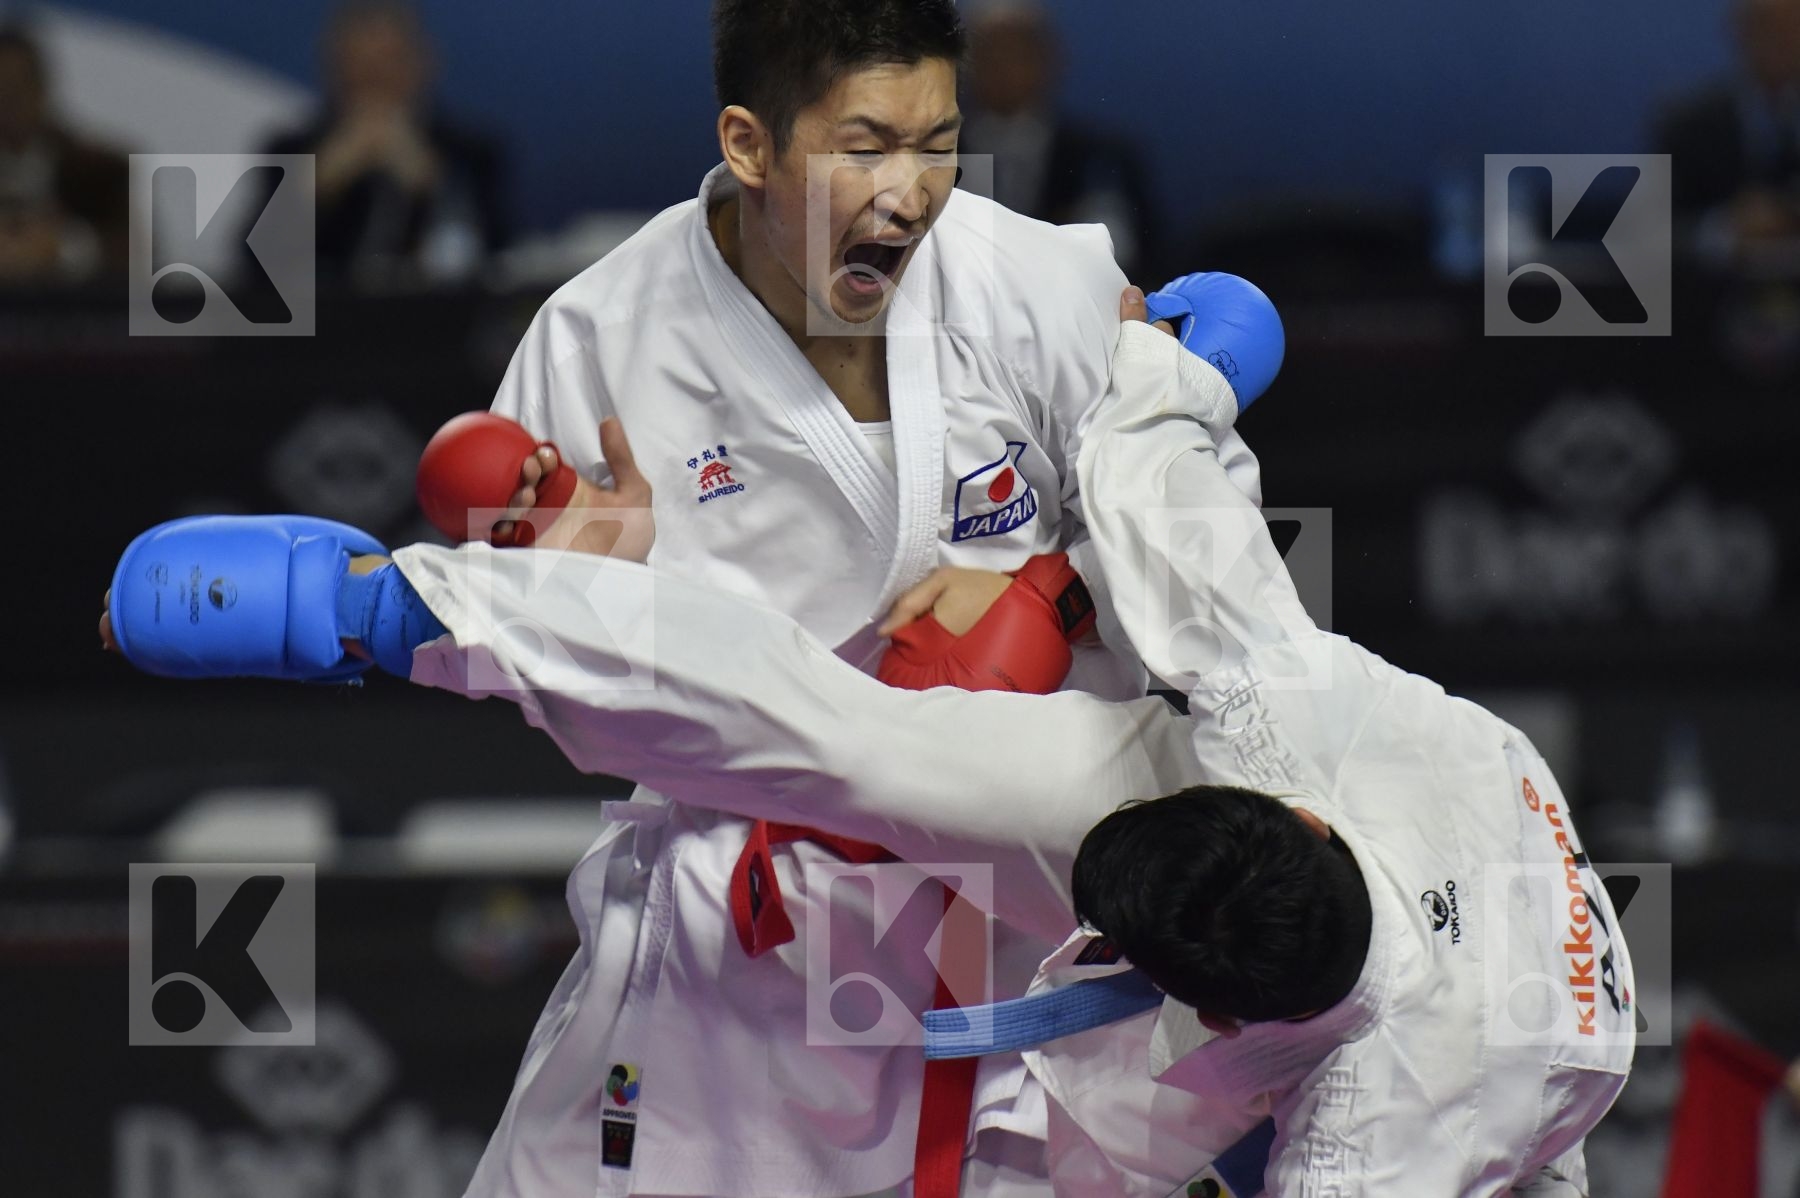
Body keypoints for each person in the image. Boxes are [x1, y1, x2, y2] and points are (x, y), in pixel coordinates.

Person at [102, 292, 1630, 1194]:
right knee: (869, 747)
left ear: (1201, 1013)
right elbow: (1164, 472)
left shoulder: (1387, 1131)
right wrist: (1189, 351)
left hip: (1472, 1067)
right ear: (1289, 814)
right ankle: (387, 611)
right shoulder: (1294, 716)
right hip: (1345, 864)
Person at [416, 0, 1274, 1190]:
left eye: (938, 142)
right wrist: (597, 600)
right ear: (749, 143)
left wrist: (1054, 595)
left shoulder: (1040, 285)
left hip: (1029, 918)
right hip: (742, 947)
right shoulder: (600, 342)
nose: (913, 191)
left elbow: (1213, 563)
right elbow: (548, 684)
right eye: (867, 144)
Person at [265, 1, 507, 284]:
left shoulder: (470, 153)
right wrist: (317, 187)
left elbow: (499, 264)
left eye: (388, 65)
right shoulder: (291, 150)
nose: (376, 83)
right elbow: (253, 271)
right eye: (361, 69)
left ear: (423, 63)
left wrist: (434, 186)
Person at [961, 1, 1160, 280]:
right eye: (988, 51)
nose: (1002, 66)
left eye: (1017, 51)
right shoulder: (933, 155)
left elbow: (1143, 261)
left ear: (1049, 60)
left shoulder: (1103, 158)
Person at [1658, 0, 1800, 254]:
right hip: (1716, 288)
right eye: (1768, 27)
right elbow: (1653, 232)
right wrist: (1725, 228)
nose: (1782, 40)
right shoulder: (1687, 125)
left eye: (1792, 27)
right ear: (1739, 31)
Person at [0, 26, 129, 285]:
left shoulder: (99, 168)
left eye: (18, 87)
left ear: (42, 88)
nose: (8, 101)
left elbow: (140, 252)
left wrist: (66, 247)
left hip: (76, 319)